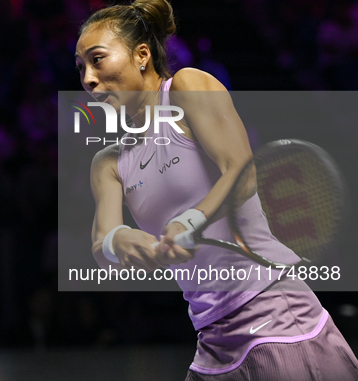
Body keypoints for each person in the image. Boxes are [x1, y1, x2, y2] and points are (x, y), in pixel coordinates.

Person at [75, 0, 358, 379]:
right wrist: (119, 240)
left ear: (141, 55)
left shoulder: (188, 87)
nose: (88, 78)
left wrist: (191, 221)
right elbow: (100, 241)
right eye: (81, 68)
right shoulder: (109, 162)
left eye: (97, 59)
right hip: (212, 335)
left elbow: (240, 171)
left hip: (274, 311)